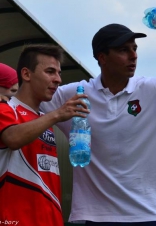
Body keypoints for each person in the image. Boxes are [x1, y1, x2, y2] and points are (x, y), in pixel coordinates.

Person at [40, 23, 156, 225]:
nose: (133, 55)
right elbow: (24, 99)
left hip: (153, 215)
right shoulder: (74, 95)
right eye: (123, 50)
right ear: (102, 58)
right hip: (96, 216)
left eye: (134, 48)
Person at [0, 44, 89, 226]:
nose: (57, 80)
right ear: (26, 74)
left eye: (59, 73)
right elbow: (12, 138)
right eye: (50, 71)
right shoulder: (6, 108)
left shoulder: (43, 119)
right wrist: (57, 114)